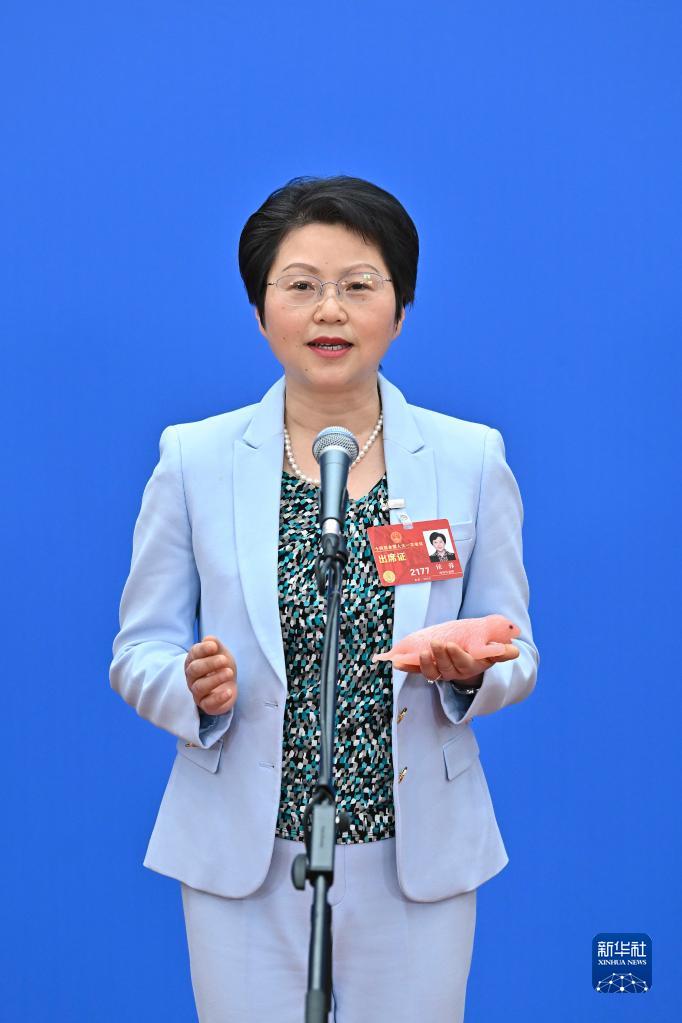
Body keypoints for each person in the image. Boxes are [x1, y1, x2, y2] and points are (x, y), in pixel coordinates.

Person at [110, 175, 539, 1023]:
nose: (329, 310)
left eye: (358, 285)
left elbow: (515, 647)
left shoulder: (469, 458)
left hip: (413, 854)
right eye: (301, 285)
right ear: (261, 309)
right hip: (246, 853)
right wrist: (190, 689)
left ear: (400, 307)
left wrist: (471, 672)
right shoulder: (195, 459)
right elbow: (138, 649)